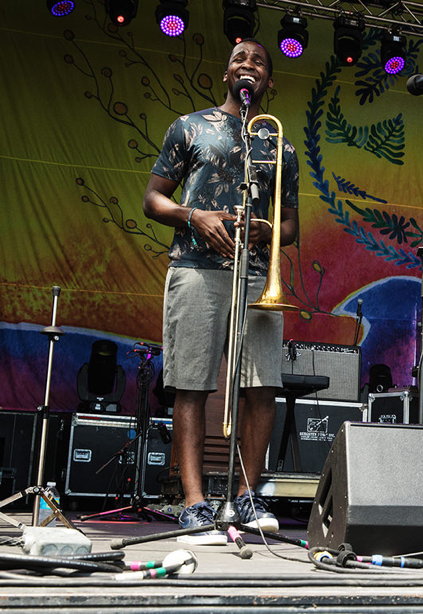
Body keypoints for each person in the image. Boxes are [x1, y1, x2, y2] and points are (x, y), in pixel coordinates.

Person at [143, 39, 299, 545]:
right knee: (191, 382)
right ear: (226, 75)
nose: (247, 66)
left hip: (256, 274)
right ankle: (194, 502)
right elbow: (152, 198)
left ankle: (249, 495)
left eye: (257, 62)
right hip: (196, 267)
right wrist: (195, 216)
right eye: (238, 60)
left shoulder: (281, 146)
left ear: (268, 81)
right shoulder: (189, 127)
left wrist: (267, 230)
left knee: (262, 385)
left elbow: (292, 225)